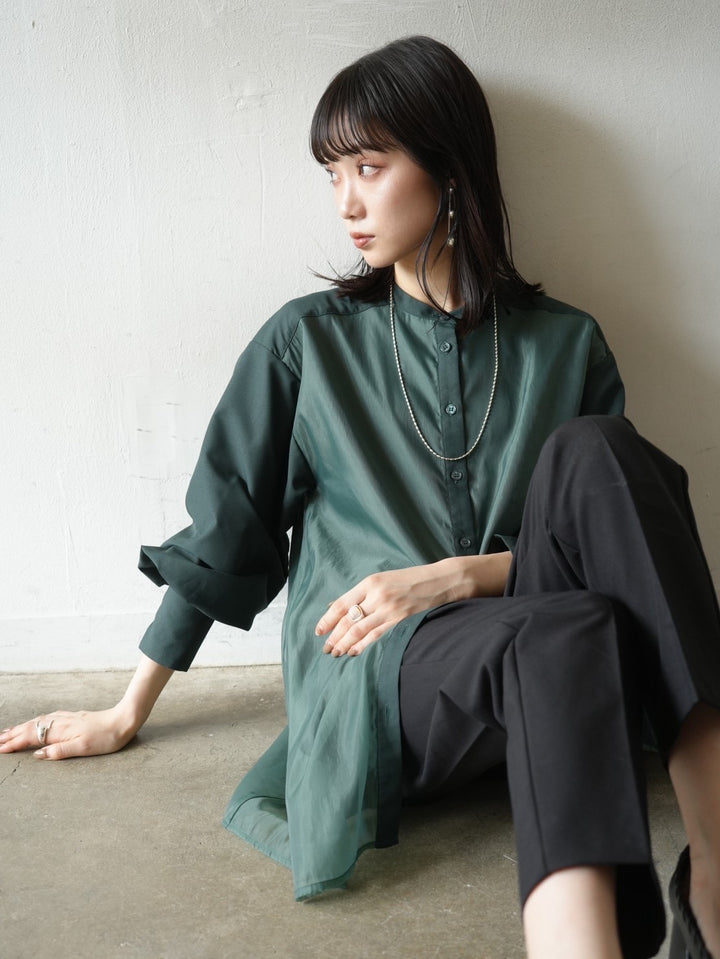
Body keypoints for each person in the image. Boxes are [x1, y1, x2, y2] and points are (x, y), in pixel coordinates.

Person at [2, 35, 719, 959]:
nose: (345, 202)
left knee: (603, 460)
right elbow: (229, 531)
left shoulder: (566, 343)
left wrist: (451, 576)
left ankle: (713, 867)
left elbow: (616, 558)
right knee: (562, 626)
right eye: (333, 174)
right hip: (388, 680)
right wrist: (124, 709)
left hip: (553, 658)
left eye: (369, 168)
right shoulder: (309, 344)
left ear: (448, 171)